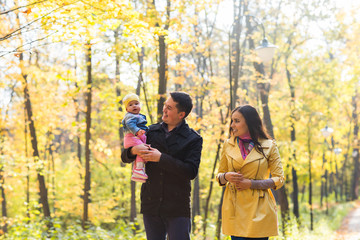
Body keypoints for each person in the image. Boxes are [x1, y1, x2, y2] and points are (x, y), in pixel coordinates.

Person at [121, 91, 203, 240]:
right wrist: (133, 150)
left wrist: (161, 158)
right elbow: (124, 156)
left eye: (169, 108)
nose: (164, 109)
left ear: (181, 114)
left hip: (177, 207)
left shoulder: (193, 139)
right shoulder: (149, 131)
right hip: (151, 204)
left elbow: (190, 171)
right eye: (165, 105)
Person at [216, 105, 285, 240]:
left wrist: (251, 184)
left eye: (237, 121)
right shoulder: (228, 145)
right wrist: (226, 176)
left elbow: (279, 179)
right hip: (234, 209)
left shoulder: (269, 145)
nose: (232, 125)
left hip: (260, 210)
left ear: (249, 122)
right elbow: (219, 177)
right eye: (232, 121)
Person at [122, 93, 149, 183]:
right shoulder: (130, 116)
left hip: (134, 138)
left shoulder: (139, 116)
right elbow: (130, 124)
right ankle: (138, 169)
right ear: (126, 109)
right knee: (142, 150)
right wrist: (137, 131)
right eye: (130, 105)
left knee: (139, 153)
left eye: (136, 103)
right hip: (131, 138)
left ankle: (136, 173)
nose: (134, 106)